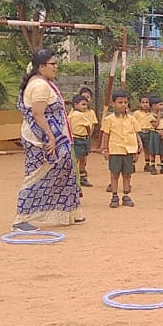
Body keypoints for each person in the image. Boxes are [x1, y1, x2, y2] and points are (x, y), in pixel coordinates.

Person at [12, 50, 84, 230]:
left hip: (51, 136)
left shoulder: (44, 83)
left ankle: (70, 212)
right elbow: (38, 114)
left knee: (65, 170)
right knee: (37, 176)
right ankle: (21, 219)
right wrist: (51, 137)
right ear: (41, 67)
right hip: (40, 139)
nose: (56, 67)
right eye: (53, 64)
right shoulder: (39, 86)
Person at [100, 91, 141, 208]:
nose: (123, 105)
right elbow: (106, 135)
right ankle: (114, 196)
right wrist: (105, 149)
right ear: (113, 104)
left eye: (125, 102)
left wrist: (139, 147)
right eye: (120, 102)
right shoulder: (109, 119)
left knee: (127, 174)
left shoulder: (132, 119)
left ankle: (126, 196)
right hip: (115, 150)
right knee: (114, 174)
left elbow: (136, 133)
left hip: (129, 150)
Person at [68, 93, 98, 186]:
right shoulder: (79, 115)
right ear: (75, 105)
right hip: (79, 139)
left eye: (86, 104)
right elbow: (88, 126)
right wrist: (88, 135)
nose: (85, 107)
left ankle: (77, 178)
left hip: (76, 138)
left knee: (79, 159)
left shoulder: (71, 114)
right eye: (83, 104)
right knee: (80, 159)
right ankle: (80, 178)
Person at [133, 95, 159, 175]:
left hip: (149, 132)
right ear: (140, 104)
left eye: (147, 102)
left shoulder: (152, 114)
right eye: (143, 102)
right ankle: (132, 164)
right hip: (139, 132)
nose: (145, 104)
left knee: (148, 149)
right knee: (136, 149)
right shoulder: (136, 113)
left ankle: (147, 164)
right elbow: (133, 123)